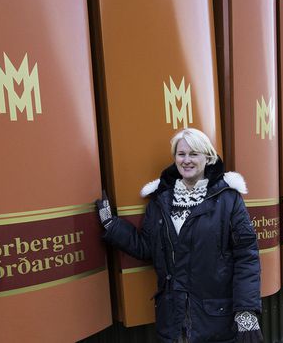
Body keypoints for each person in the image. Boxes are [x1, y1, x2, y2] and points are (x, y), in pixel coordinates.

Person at [96, 128, 263, 343]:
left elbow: (247, 257)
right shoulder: (160, 199)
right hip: (172, 318)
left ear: (208, 157)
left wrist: (246, 311)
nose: (186, 160)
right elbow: (148, 247)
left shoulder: (228, 199)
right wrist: (112, 224)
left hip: (215, 318)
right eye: (181, 154)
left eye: (194, 154)